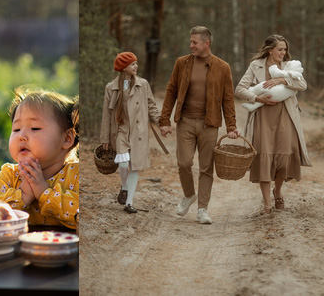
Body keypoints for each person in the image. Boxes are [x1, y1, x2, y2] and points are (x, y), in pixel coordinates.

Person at [159, 26, 239, 224]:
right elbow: (171, 91)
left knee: (206, 168)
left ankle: (202, 209)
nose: (191, 45)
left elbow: (228, 99)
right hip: (185, 121)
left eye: (195, 42)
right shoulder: (182, 63)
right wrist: (164, 120)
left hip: (209, 124)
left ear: (207, 43)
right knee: (184, 163)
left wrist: (231, 126)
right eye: (191, 41)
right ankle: (189, 195)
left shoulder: (222, 67)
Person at [0, 87, 79, 229]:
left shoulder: (77, 175)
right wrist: (22, 196)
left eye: (35, 128)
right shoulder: (10, 176)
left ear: (66, 139)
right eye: (16, 129)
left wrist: (45, 193)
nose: (21, 136)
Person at [235, 35, 312, 215]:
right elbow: (239, 89)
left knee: (284, 159)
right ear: (270, 50)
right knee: (264, 157)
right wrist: (257, 98)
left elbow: (303, 84)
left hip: (285, 115)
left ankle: (277, 191)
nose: (283, 53)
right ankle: (267, 204)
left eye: (285, 49)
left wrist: (281, 80)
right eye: (280, 49)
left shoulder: (288, 67)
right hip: (263, 117)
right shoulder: (256, 66)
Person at [99, 52, 161, 214]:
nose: (136, 67)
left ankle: (129, 202)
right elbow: (106, 114)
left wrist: (162, 122)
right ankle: (124, 186)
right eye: (133, 64)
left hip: (139, 131)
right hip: (120, 131)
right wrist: (104, 137)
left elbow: (152, 105)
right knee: (124, 163)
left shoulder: (143, 84)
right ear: (123, 67)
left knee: (134, 166)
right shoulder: (111, 88)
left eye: (136, 64)